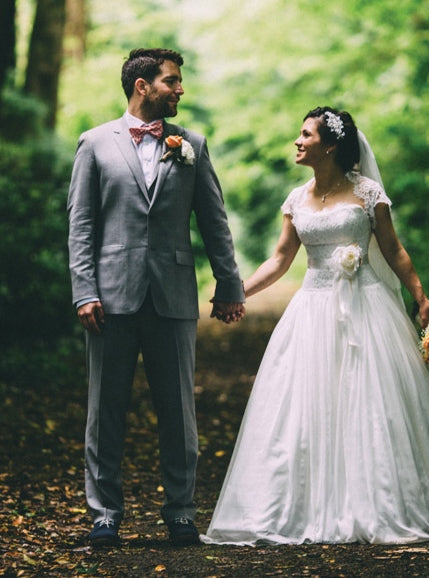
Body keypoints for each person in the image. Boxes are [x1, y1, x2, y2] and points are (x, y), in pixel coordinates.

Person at [203, 107, 429, 545]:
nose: (297, 141)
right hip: (312, 310)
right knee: (307, 405)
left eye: (305, 134)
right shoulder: (295, 199)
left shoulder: (368, 193)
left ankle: (380, 501)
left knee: (373, 403)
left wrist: (421, 298)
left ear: (330, 146)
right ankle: (306, 504)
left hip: (366, 308)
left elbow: (394, 250)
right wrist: (239, 291)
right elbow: (281, 259)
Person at [67, 48, 245, 548]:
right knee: (105, 409)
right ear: (143, 86)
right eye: (172, 81)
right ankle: (104, 515)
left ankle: (181, 512)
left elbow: (214, 221)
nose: (180, 89)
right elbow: (81, 226)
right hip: (109, 297)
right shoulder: (95, 143)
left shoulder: (193, 144)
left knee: (178, 410)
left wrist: (228, 285)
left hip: (173, 295)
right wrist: (84, 290)